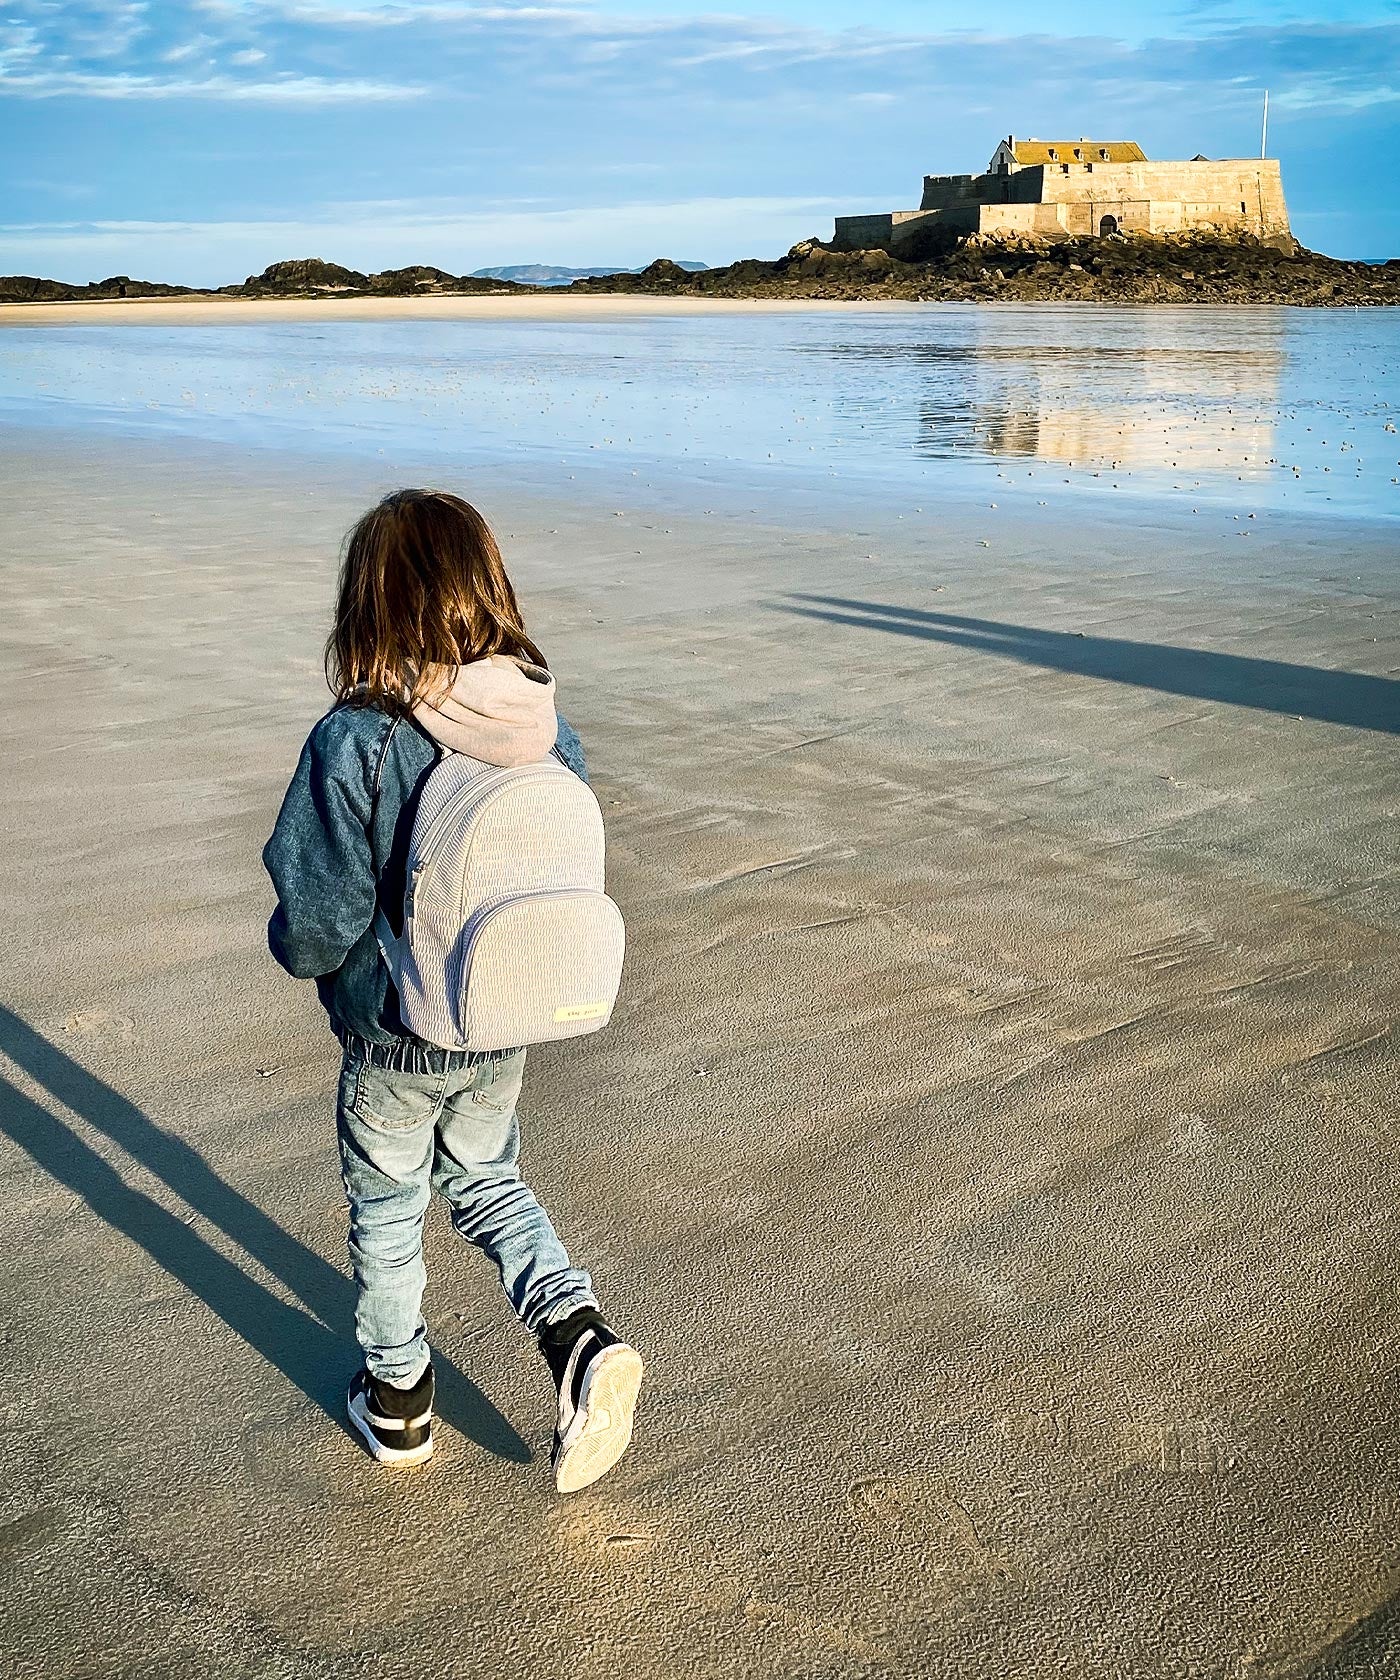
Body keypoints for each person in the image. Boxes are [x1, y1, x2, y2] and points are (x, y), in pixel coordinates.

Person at [262, 487, 641, 1492]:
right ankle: (578, 1336)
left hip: (392, 1037)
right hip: (500, 1016)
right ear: (488, 589)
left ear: (369, 604)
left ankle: (398, 1399)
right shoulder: (542, 725)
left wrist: (298, 954)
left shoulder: (356, 738)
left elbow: (319, 917)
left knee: (390, 1212)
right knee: (488, 1179)